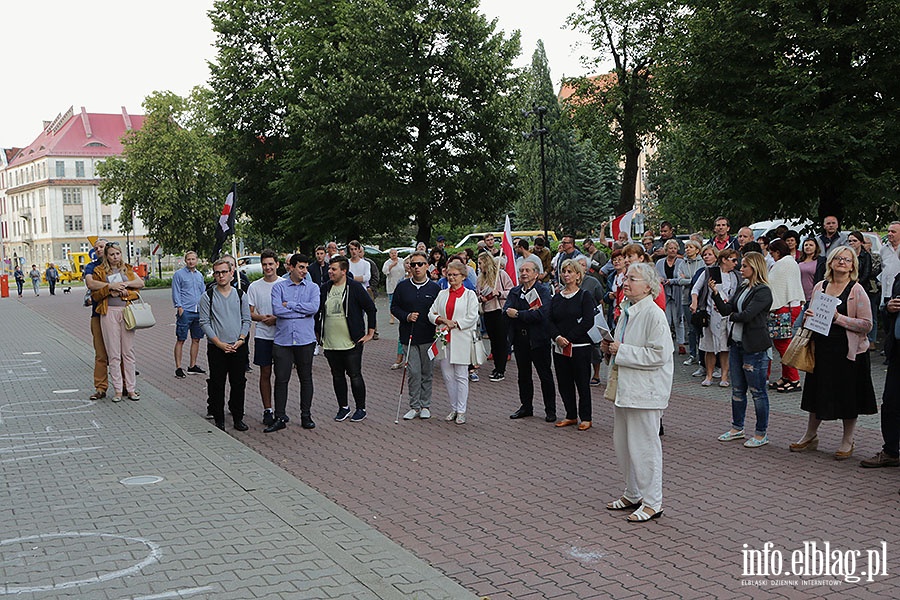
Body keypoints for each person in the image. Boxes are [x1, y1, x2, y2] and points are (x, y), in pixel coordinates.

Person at [603, 262, 673, 522]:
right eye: (626, 278)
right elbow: (622, 345)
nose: (626, 283)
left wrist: (620, 350)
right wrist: (609, 345)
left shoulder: (654, 314)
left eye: (632, 279)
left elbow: (659, 355)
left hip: (645, 392)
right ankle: (632, 492)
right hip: (625, 388)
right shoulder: (627, 309)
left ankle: (653, 501)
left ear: (648, 286)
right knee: (623, 444)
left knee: (645, 447)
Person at [791, 245, 876, 459]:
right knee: (817, 392)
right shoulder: (820, 286)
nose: (842, 262)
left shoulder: (857, 290)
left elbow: (867, 325)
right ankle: (810, 436)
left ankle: (848, 440)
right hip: (822, 350)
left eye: (847, 260)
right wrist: (809, 316)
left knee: (848, 396)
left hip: (849, 353)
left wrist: (839, 319)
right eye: (838, 258)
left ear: (853, 266)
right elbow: (811, 315)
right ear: (830, 262)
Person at [709, 252, 774, 447]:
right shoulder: (744, 286)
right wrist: (715, 293)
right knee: (737, 390)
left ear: (755, 267)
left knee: (757, 391)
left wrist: (732, 315)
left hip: (754, 347)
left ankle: (761, 433)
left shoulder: (763, 291)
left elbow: (747, 315)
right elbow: (727, 309)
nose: (740, 268)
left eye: (745, 265)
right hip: (737, 344)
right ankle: (737, 428)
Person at [317, 256, 377, 423]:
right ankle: (343, 407)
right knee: (337, 376)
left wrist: (370, 333)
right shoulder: (325, 288)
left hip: (351, 341)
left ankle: (360, 408)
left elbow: (371, 308)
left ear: (344, 271)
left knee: (354, 375)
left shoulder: (355, 287)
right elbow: (318, 312)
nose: (330, 271)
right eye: (329, 268)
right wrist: (318, 333)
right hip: (330, 342)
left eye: (334, 269)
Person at [267, 253, 320, 432]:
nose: (305, 271)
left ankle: (306, 415)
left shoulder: (312, 288)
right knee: (281, 379)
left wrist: (289, 304)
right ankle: (279, 416)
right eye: (301, 267)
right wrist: (301, 310)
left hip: (305, 339)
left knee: (306, 378)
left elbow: (314, 308)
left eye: (306, 267)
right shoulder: (278, 287)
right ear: (291, 267)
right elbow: (277, 310)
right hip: (283, 340)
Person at [198, 258, 252, 431]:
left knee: (238, 383)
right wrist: (218, 343)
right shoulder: (208, 296)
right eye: (217, 272)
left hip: (237, 346)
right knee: (217, 383)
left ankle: (238, 417)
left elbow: (246, 319)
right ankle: (218, 417)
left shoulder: (240, 295)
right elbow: (204, 322)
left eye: (223, 272)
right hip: (217, 347)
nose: (220, 276)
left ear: (231, 273)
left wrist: (241, 339)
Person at [88, 241, 145, 402]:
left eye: (117, 253)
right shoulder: (99, 271)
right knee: (113, 353)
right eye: (112, 254)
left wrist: (125, 290)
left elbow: (138, 287)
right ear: (106, 256)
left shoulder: (127, 269)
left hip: (126, 311)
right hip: (108, 312)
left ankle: (131, 389)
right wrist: (109, 289)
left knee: (128, 351)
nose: (115, 257)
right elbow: (95, 295)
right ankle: (118, 390)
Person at [504, 261, 557, 422]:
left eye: (527, 270)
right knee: (523, 376)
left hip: (539, 340)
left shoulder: (543, 291)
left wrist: (520, 314)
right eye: (521, 270)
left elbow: (542, 314)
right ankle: (526, 406)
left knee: (545, 375)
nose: (523, 273)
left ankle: (550, 410)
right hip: (520, 339)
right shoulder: (515, 291)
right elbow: (506, 310)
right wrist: (527, 313)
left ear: (536, 273)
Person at [428, 261, 480, 424]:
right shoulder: (442, 294)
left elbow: (473, 316)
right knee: (447, 375)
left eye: (455, 275)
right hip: (444, 338)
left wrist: (455, 323)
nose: (451, 278)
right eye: (449, 275)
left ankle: (462, 410)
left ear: (463, 276)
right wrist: (442, 320)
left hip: (461, 338)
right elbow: (431, 313)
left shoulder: (469, 295)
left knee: (461, 375)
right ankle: (453, 408)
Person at [391, 252, 441, 420]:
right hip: (408, 336)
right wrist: (406, 316)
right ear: (409, 267)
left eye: (420, 264)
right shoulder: (402, 286)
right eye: (413, 265)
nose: (417, 267)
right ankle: (414, 405)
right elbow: (394, 307)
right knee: (414, 371)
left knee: (427, 372)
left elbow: (439, 311)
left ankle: (426, 405)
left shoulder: (435, 288)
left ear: (427, 266)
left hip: (429, 337)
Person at [547, 259, 596, 430]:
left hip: (579, 347)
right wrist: (557, 337)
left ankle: (586, 417)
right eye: (564, 271)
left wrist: (569, 338)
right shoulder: (556, 297)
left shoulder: (584, 296)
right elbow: (550, 320)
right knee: (564, 382)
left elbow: (588, 321)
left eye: (570, 272)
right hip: (560, 347)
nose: (566, 275)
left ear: (577, 275)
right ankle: (570, 414)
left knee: (582, 382)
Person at [860, 271, 900, 469]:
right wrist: (889, 309)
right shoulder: (899, 278)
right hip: (897, 352)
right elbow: (887, 312)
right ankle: (891, 451)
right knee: (891, 402)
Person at [691, 248, 740, 386]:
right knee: (709, 347)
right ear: (724, 260)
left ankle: (724, 377)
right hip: (710, 314)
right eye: (733, 260)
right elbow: (696, 289)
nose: (736, 263)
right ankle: (709, 375)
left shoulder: (735, 275)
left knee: (725, 348)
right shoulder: (710, 272)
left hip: (727, 315)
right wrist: (694, 302)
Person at [765, 239, 805, 393]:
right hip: (791, 305)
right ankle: (786, 376)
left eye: (772, 252)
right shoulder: (791, 262)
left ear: (777, 252)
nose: (771, 255)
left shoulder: (782, 264)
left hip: (784, 307)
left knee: (783, 345)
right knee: (783, 342)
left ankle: (794, 379)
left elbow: (772, 284)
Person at [246, 250, 281, 426]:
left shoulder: (285, 284)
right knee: (265, 373)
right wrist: (263, 318)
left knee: (282, 375)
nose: (268, 267)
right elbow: (250, 312)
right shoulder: (254, 286)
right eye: (265, 264)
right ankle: (268, 409)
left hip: (282, 336)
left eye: (270, 264)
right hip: (262, 335)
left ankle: (280, 410)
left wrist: (277, 319)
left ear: (277, 265)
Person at [476, 252, 514, 382]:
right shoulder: (480, 278)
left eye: (480, 263)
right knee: (493, 340)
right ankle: (496, 367)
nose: (479, 266)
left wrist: (499, 293)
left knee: (501, 341)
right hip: (488, 311)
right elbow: (478, 294)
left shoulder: (501, 274)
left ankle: (500, 369)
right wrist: (481, 298)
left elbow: (512, 291)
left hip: (500, 310)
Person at [172, 251, 207, 378]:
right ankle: (178, 367)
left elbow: (203, 291)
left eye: (193, 259)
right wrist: (179, 307)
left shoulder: (199, 275)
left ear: (197, 260)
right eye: (189, 259)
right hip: (185, 311)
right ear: (185, 261)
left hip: (198, 311)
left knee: (196, 339)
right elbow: (176, 291)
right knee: (181, 339)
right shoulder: (179, 275)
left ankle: (192, 366)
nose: (191, 261)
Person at [847, 231, 879, 345]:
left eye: (854, 241)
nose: (852, 243)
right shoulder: (847, 255)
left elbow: (867, 272)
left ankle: (871, 339)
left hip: (864, 288)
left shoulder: (866, 256)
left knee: (869, 313)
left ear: (860, 242)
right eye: (850, 241)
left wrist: (856, 283)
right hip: (849, 286)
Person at [656, 240, 686, 355]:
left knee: (679, 318)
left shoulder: (681, 262)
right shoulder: (659, 262)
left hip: (678, 293)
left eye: (674, 248)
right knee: (666, 320)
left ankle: (681, 344)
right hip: (664, 293)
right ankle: (667, 344)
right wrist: (661, 280)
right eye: (670, 248)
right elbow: (656, 275)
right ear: (666, 250)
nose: (672, 250)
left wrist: (671, 281)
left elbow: (681, 278)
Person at [677, 240, 705, 366]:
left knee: (701, 328)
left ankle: (702, 355)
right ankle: (693, 354)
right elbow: (679, 280)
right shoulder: (682, 263)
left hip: (700, 299)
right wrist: (692, 280)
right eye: (686, 247)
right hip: (685, 298)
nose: (687, 249)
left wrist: (688, 279)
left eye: (690, 247)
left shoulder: (702, 262)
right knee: (691, 328)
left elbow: (701, 279)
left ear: (697, 250)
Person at [880, 222, 900, 341]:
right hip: (886, 294)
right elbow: (883, 269)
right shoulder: (884, 249)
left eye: (893, 232)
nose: (889, 234)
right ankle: (889, 351)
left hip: (897, 295)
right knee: (888, 327)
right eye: (888, 231)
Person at [382, 248, 406, 325]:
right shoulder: (387, 262)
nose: (393, 254)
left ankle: (401, 316)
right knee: (392, 301)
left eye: (395, 253)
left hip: (401, 284)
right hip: (392, 284)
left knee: (402, 301)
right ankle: (392, 317)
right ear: (389, 254)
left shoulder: (401, 261)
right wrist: (391, 266)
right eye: (392, 253)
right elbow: (384, 271)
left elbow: (406, 267)